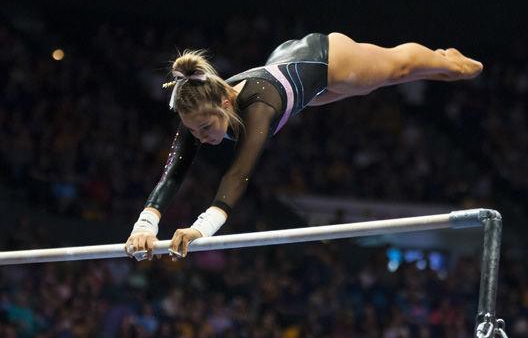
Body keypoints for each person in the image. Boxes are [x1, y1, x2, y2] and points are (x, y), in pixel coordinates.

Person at [124, 32, 483, 260]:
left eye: (205, 127)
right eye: (195, 131)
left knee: (396, 71)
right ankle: (441, 64)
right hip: (294, 80)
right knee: (370, 86)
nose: (201, 137)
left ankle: (447, 61)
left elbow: (239, 173)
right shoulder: (195, 113)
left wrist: (200, 229)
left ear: (226, 104)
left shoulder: (258, 107)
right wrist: (143, 228)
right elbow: (172, 175)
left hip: (325, 60)